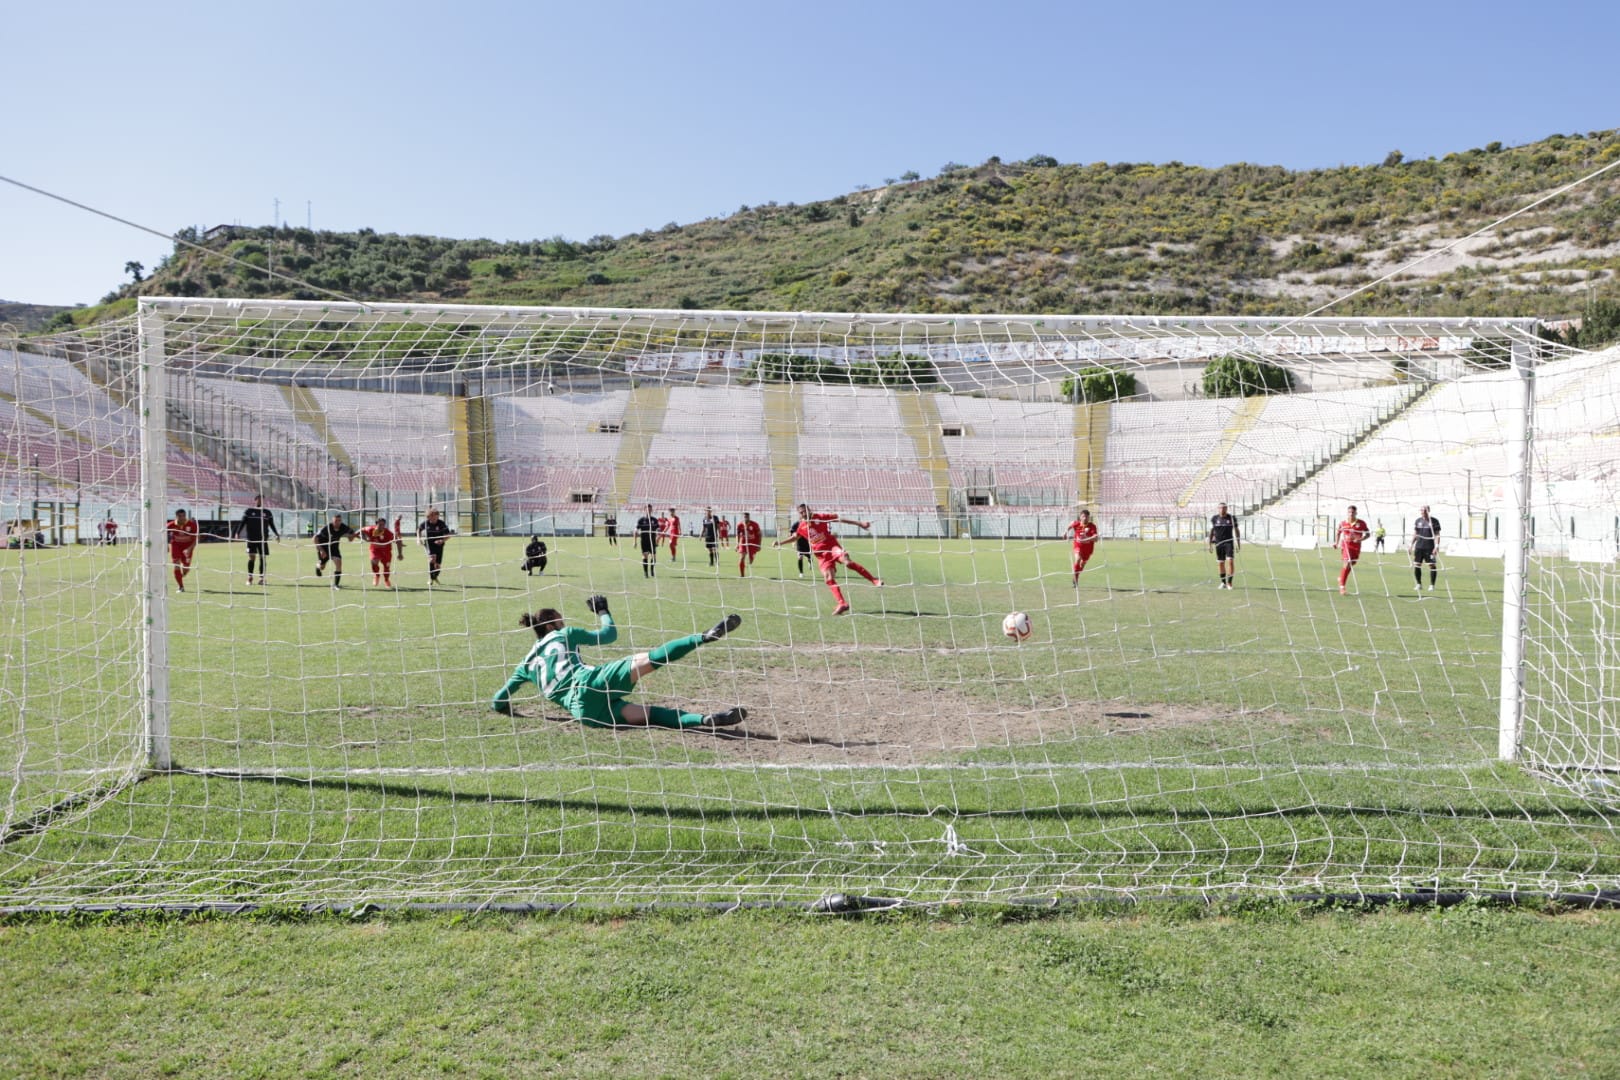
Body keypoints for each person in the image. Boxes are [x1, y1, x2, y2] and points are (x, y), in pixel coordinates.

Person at [490, 595, 747, 730]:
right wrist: (603, 612)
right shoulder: (562, 635)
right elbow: (609, 635)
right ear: (551, 625)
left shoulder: (525, 665)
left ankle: (704, 720)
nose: (564, 623)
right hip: (590, 683)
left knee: (651, 715)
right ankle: (703, 637)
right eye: (561, 620)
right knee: (649, 659)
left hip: (585, 714)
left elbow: (499, 700)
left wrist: (506, 708)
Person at [773, 503, 882, 616]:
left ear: (809, 509)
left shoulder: (821, 517)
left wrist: (860, 523)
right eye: (801, 512)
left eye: (805, 511)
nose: (803, 513)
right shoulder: (801, 526)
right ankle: (842, 603)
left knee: (847, 562)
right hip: (821, 555)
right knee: (828, 578)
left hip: (833, 548)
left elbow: (839, 519)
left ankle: (874, 580)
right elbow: (795, 537)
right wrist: (780, 543)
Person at [233, 494, 280, 585]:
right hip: (251, 539)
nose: (261, 501)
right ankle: (250, 577)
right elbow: (242, 522)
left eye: (262, 499)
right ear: (255, 500)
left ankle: (262, 578)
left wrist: (276, 534)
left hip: (263, 539)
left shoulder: (267, 512)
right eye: (259, 499)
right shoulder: (249, 511)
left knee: (263, 558)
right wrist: (237, 533)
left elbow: (272, 524)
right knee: (252, 557)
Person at [1337, 504, 1371, 595]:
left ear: (1356, 513)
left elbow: (1368, 534)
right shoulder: (1343, 523)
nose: (1351, 513)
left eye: (1353, 512)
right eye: (1349, 512)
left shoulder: (1362, 523)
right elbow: (1338, 532)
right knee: (1347, 563)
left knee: (1351, 564)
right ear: (1347, 513)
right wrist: (1336, 543)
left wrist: (1360, 539)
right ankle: (1342, 587)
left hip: (1356, 547)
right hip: (1346, 546)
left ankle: (1341, 578)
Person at [313, 513, 355, 587]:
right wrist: (321, 550)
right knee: (322, 566)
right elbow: (315, 538)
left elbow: (351, 538)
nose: (338, 522)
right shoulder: (327, 528)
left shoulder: (344, 527)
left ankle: (336, 585)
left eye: (339, 520)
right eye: (336, 521)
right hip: (324, 547)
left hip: (334, 548)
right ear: (332, 521)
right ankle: (317, 567)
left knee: (339, 563)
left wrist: (351, 536)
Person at [1207, 502, 1241, 590]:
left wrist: (1238, 543)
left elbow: (1236, 530)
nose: (1222, 509)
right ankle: (1223, 583)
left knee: (1230, 561)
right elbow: (1211, 532)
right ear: (1218, 509)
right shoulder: (1214, 518)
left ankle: (1229, 583)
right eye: (1220, 508)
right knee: (1221, 563)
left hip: (1229, 542)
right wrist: (1209, 544)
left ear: (1227, 509)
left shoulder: (1232, 518)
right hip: (1218, 543)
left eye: (1224, 508)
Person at [167, 508, 199, 592]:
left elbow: (196, 538)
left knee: (186, 569)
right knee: (176, 565)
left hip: (187, 548)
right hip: (176, 546)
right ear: (176, 516)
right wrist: (166, 545)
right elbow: (163, 533)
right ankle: (181, 587)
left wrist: (190, 549)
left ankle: (182, 574)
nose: (182, 518)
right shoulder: (171, 525)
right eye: (180, 516)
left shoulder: (192, 525)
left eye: (183, 516)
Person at [1410, 505, 1441, 592]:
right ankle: (1419, 584)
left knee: (1432, 566)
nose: (1423, 512)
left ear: (1428, 511)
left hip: (1430, 547)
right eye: (1421, 510)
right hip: (1419, 547)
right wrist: (1411, 545)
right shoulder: (1418, 521)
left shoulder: (1434, 521)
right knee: (1417, 565)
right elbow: (1415, 534)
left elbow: (1437, 535)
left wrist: (1436, 546)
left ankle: (1432, 585)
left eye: (1424, 510)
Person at [358, 516, 396, 588]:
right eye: (380, 524)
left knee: (386, 568)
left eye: (383, 524)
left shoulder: (388, 532)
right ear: (376, 524)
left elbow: (396, 539)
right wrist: (365, 538)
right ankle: (376, 575)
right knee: (374, 562)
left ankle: (386, 580)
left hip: (386, 551)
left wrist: (400, 552)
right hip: (375, 550)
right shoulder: (370, 529)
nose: (381, 526)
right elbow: (360, 531)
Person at [418, 507, 453, 584]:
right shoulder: (425, 523)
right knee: (432, 559)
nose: (433, 518)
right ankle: (430, 579)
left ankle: (435, 577)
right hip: (429, 544)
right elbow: (419, 529)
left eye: (435, 516)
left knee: (437, 565)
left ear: (437, 516)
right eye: (431, 516)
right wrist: (418, 539)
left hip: (439, 545)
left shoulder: (441, 523)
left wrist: (442, 540)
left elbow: (448, 535)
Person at [1066, 508, 1100, 585]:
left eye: (1087, 516)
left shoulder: (1092, 526)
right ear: (1080, 517)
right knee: (1077, 559)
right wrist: (1065, 533)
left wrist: (1086, 539)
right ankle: (1075, 578)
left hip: (1088, 550)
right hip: (1078, 546)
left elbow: (1096, 539)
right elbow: (1070, 526)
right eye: (1083, 516)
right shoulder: (1077, 524)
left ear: (1089, 517)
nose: (1085, 518)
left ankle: (1076, 575)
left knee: (1082, 565)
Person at [635, 504, 659, 578]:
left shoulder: (655, 520)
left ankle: (652, 571)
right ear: (644, 510)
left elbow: (659, 531)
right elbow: (635, 531)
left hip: (652, 541)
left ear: (651, 510)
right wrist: (634, 542)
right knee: (645, 556)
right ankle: (645, 573)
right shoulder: (641, 520)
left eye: (650, 509)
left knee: (653, 557)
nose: (648, 510)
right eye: (647, 509)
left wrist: (658, 539)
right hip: (644, 541)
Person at [736, 511, 762, 577]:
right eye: (744, 516)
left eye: (747, 516)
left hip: (752, 543)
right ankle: (742, 575)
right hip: (743, 543)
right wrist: (737, 544)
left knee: (750, 561)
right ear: (743, 517)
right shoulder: (739, 525)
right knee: (742, 558)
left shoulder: (755, 524)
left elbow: (759, 535)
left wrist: (759, 545)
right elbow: (737, 535)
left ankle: (751, 557)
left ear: (749, 517)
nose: (746, 518)